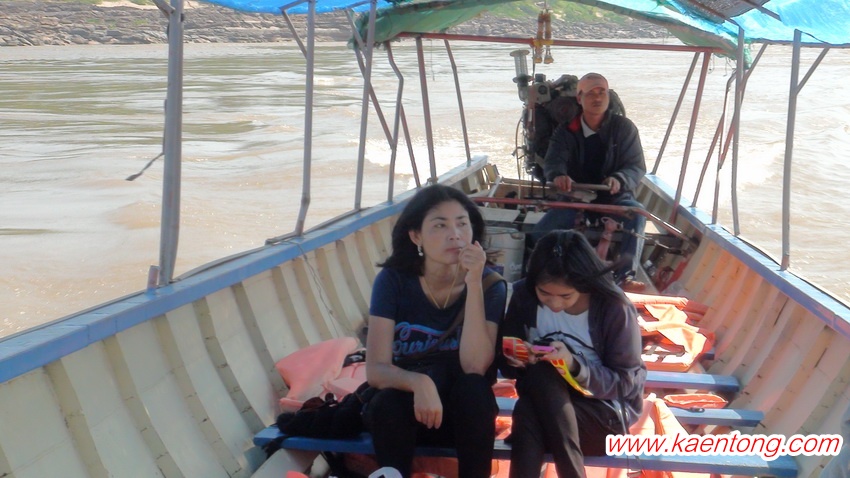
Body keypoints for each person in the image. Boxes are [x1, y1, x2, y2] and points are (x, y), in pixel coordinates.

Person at [363, 184, 508, 478]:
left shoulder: (490, 285)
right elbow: (376, 370)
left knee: (474, 390)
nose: (454, 234)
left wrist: (474, 283)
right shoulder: (393, 281)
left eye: (462, 224)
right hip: (409, 413)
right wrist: (419, 383)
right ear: (416, 236)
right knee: (387, 402)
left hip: (463, 420)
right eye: (440, 225)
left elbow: (474, 366)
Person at [499, 230, 646, 478]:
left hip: (602, 419)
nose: (555, 304)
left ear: (584, 284)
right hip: (546, 415)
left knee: (533, 399)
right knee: (536, 384)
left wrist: (575, 365)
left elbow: (626, 383)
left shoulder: (613, 307)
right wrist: (517, 360)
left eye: (565, 296)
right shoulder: (524, 295)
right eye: (544, 294)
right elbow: (506, 362)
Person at [534, 72, 647, 291]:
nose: (597, 98)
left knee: (638, 214)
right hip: (575, 199)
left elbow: (636, 166)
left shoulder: (625, 128)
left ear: (608, 96)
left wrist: (619, 179)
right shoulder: (565, 131)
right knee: (540, 232)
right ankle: (547, 273)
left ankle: (625, 276)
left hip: (615, 198)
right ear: (579, 98)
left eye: (601, 92)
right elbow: (553, 162)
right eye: (591, 93)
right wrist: (559, 175)